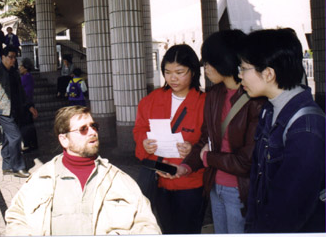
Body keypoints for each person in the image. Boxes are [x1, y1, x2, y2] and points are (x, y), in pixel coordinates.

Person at [5, 105, 161, 235]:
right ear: (64, 139)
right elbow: (16, 218)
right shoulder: (41, 180)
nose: (93, 132)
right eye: (83, 129)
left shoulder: (120, 180)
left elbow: (147, 224)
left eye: (94, 126)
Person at [174, 30, 265, 234]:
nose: (205, 68)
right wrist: (186, 166)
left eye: (209, 62)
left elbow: (245, 161)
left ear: (224, 61)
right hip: (215, 185)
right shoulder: (214, 94)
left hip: (240, 190)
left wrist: (207, 157)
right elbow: (206, 138)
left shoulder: (255, 100)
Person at [238, 29, 325, 233]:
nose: (239, 75)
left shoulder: (306, 126)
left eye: (243, 68)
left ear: (268, 73)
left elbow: (289, 209)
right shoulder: (269, 110)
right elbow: (257, 184)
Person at [133, 44, 206, 234]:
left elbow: (211, 140)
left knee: (188, 229)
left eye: (180, 72)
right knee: (165, 228)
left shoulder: (204, 102)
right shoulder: (151, 99)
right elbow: (140, 128)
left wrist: (193, 148)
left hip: (190, 182)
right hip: (159, 179)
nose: (173, 78)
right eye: (167, 72)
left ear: (193, 71)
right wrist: (144, 142)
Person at [0, 46, 36, 178]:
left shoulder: (14, 72)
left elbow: (21, 92)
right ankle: (17, 167)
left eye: (15, 57)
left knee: (8, 138)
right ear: (3, 57)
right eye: (10, 57)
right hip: (3, 111)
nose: (13, 60)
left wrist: (29, 106)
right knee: (16, 137)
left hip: (16, 109)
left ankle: (6, 166)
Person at [19, 58, 38, 152]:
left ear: (25, 68)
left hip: (26, 104)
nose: (19, 67)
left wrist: (29, 106)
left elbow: (24, 93)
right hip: (29, 102)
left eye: (21, 66)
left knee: (26, 125)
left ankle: (29, 144)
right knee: (29, 125)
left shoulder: (25, 77)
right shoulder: (29, 76)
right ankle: (32, 144)